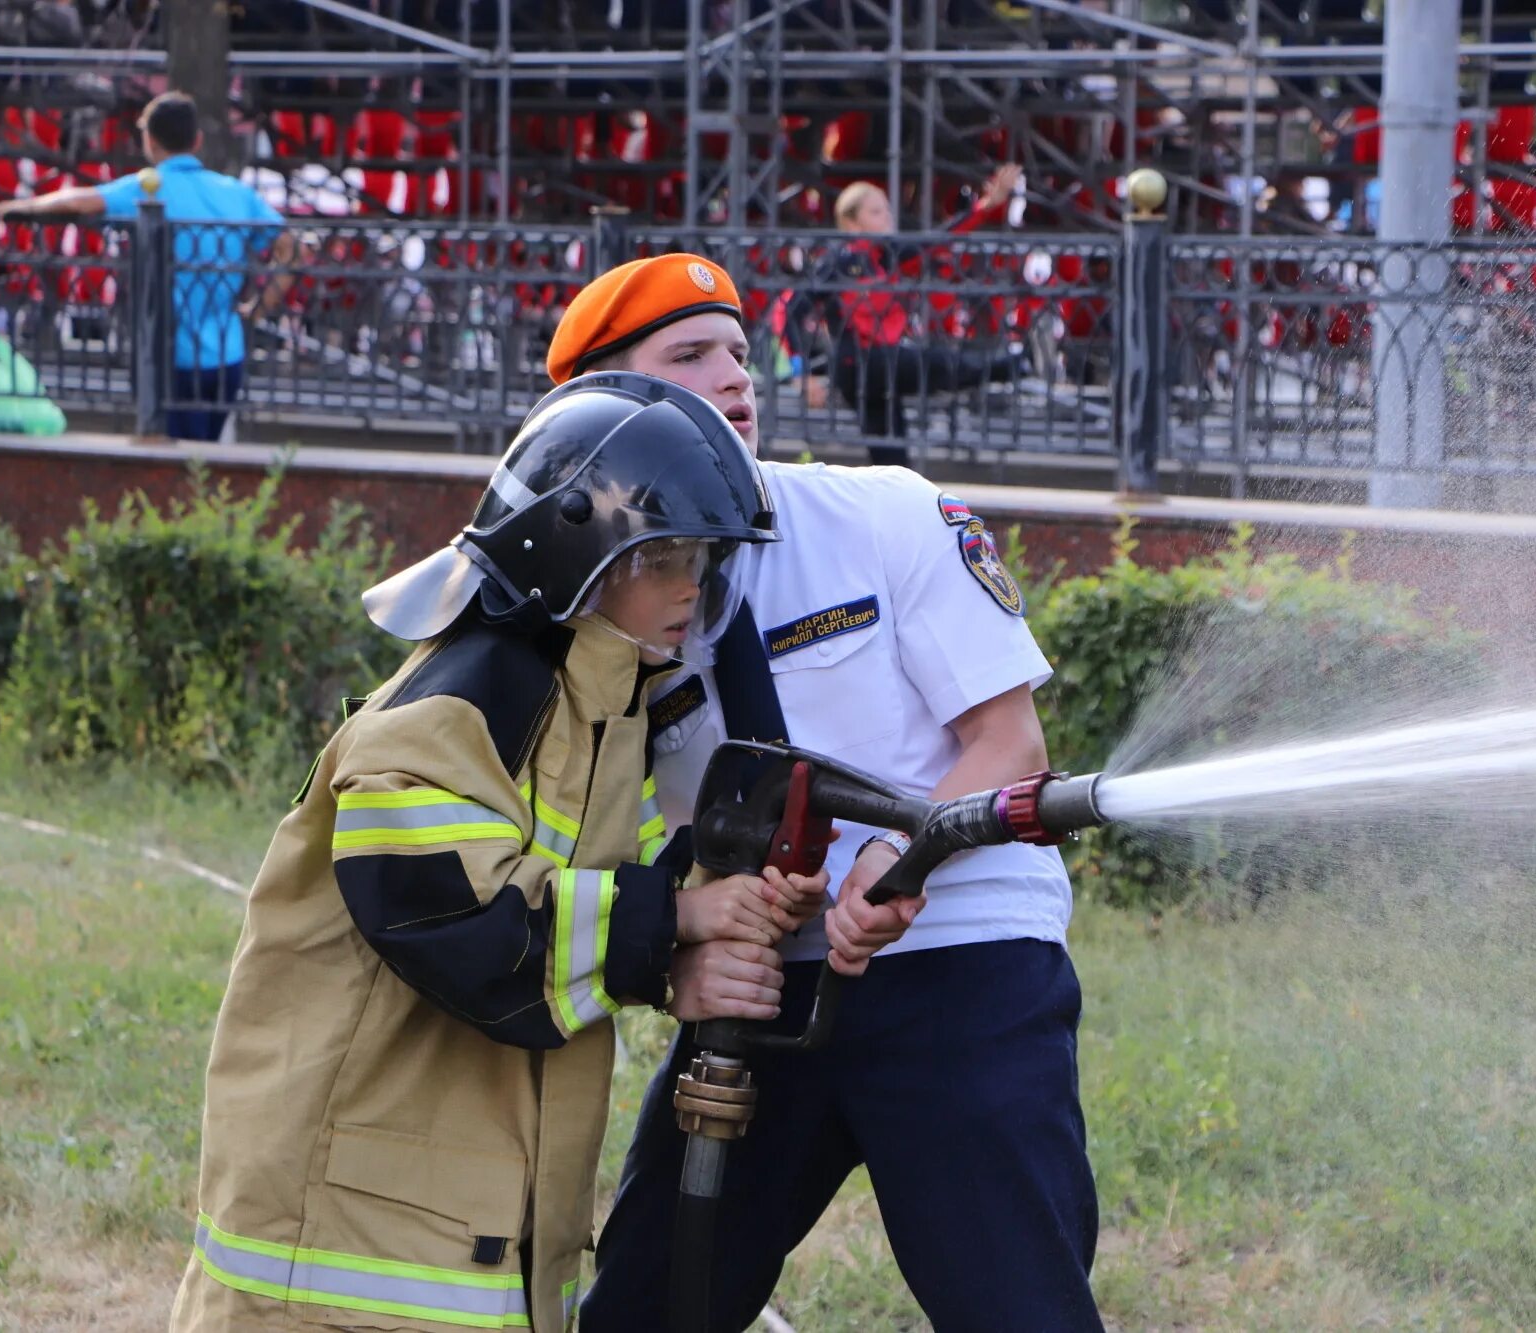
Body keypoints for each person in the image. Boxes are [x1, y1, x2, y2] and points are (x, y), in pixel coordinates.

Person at [167, 373, 837, 1331]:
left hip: (457, 1217)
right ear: (583, 552)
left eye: (706, 557)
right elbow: (467, 926)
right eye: (670, 554)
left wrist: (719, 921)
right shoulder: (455, 708)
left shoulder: (602, 702)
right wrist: (679, 923)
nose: (695, 584)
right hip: (335, 1251)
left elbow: (628, 882)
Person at [560, 254, 1102, 1332]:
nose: (734, 377)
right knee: (643, 1306)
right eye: (689, 356)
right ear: (601, 407)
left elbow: (1009, 741)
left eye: (737, 352)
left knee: (1017, 1311)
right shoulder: (594, 604)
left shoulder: (884, 515)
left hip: (960, 968)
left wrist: (897, 859)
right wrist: (683, 942)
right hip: (754, 992)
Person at [0, 89, 297, 442]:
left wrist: (22, 208)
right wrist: (259, 310)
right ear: (197, 140)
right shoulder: (237, 193)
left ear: (148, 142)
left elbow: (77, 201)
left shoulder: (146, 188)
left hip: (172, 357)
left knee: (180, 465)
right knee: (207, 458)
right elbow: (291, 249)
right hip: (228, 355)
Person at [812, 164, 1027, 467]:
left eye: (886, 209)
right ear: (851, 222)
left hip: (876, 366)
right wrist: (804, 372)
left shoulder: (887, 254)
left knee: (890, 459)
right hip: (864, 361)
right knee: (937, 364)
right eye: (875, 212)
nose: (887, 217)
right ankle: (1011, 365)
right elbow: (793, 308)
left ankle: (893, 508)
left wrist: (985, 206)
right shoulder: (836, 261)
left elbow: (938, 240)